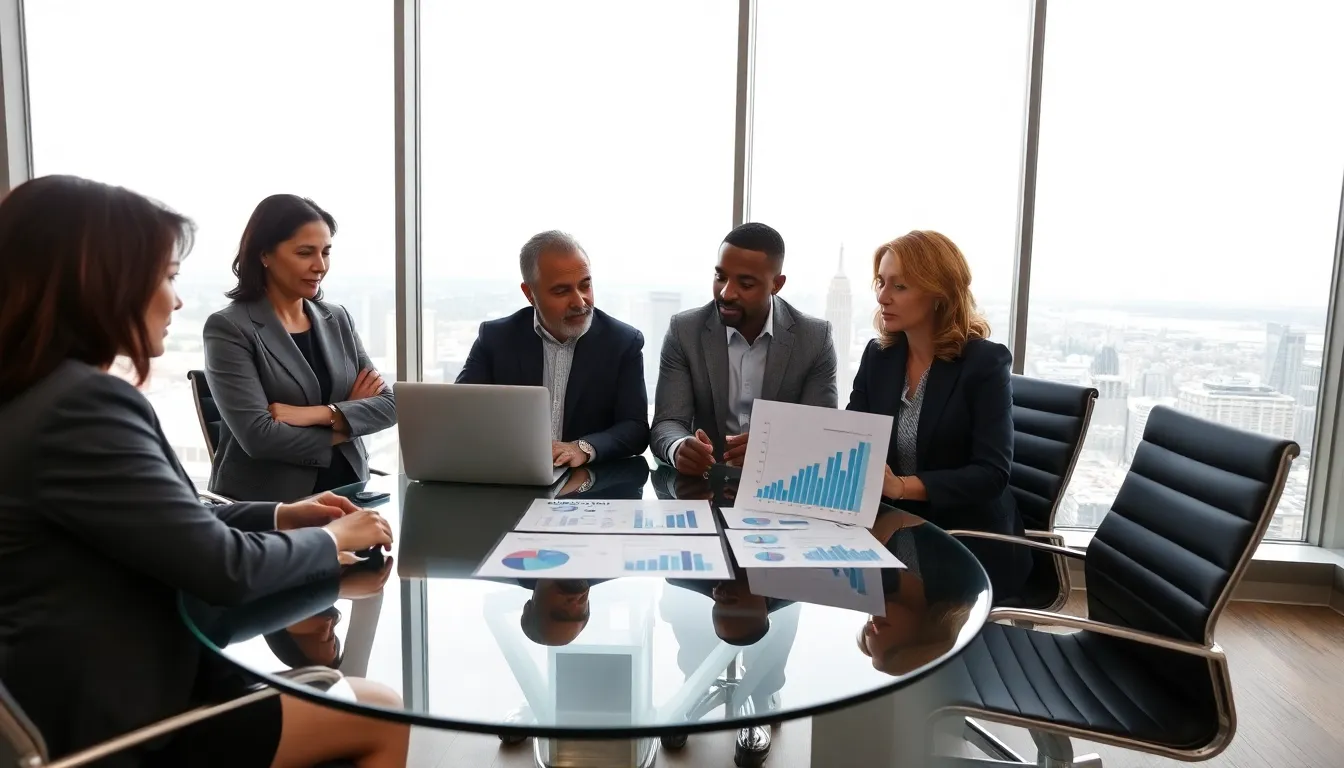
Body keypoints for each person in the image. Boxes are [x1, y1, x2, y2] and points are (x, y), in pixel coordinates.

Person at [0, 175, 407, 768]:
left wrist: (282, 515)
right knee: (380, 709)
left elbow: (176, 517)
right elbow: (223, 569)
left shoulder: (33, 394)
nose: (177, 301)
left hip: (64, 687)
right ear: (100, 283)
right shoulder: (82, 406)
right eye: (166, 277)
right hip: (119, 720)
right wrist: (330, 540)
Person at [847, 230, 1030, 599]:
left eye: (899, 286)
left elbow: (991, 474)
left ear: (939, 295)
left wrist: (901, 487)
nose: (882, 297)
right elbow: (853, 436)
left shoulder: (983, 364)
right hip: (892, 532)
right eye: (881, 282)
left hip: (965, 543)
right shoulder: (879, 357)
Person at [204, 195, 396, 502]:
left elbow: (390, 405)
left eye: (326, 252)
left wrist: (317, 414)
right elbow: (260, 438)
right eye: (305, 253)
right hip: (273, 507)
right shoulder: (230, 328)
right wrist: (348, 422)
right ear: (264, 254)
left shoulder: (337, 319)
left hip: (353, 492)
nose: (320, 266)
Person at [652, 223, 838, 476]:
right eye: (720, 277)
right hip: (706, 484)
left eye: (746, 284)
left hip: (779, 484)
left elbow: (821, 431)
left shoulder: (814, 339)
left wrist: (775, 448)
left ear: (776, 284)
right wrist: (678, 447)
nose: (726, 293)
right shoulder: (684, 331)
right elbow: (667, 422)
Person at [457, 230, 649, 467]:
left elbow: (635, 429)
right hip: (511, 474)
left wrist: (582, 448)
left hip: (590, 481)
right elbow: (459, 412)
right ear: (530, 294)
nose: (579, 302)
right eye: (561, 291)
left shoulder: (623, 342)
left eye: (585, 286)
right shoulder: (496, 338)